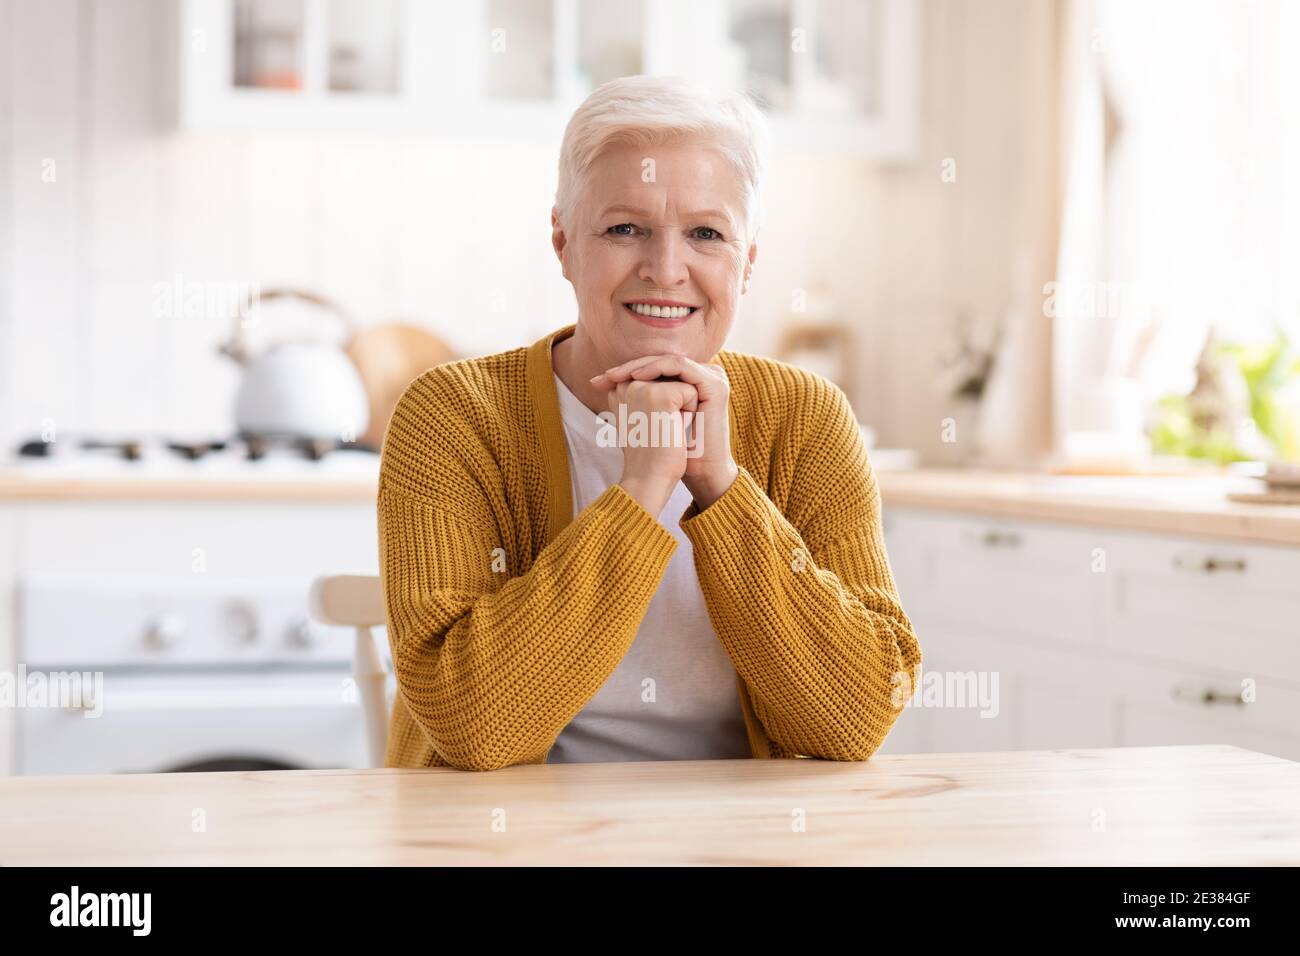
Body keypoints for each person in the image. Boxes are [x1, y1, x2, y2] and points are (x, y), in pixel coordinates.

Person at [377, 75, 921, 770]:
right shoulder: (453, 415)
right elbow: (476, 728)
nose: (666, 270)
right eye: (625, 229)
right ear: (564, 242)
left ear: (747, 263)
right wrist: (641, 489)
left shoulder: (807, 418)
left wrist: (720, 486)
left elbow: (855, 718)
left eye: (706, 233)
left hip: (741, 841)